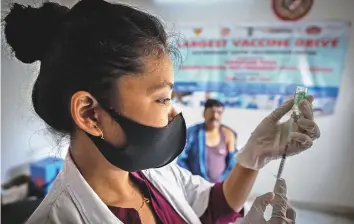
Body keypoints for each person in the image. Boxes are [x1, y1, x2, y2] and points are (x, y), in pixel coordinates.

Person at [4, 0, 320, 223]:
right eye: (162, 99)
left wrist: (253, 156)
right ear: (90, 113)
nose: (174, 114)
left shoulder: (153, 174)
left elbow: (212, 209)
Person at [177, 99, 238, 183]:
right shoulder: (192, 133)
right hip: (195, 186)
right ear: (204, 113)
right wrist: (192, 180)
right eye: (212, 112)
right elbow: (181, 160)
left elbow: (232, 163)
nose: (215, 116)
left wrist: (222, 183)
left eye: (219, 113)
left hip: (220, 188)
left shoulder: (228, 134)